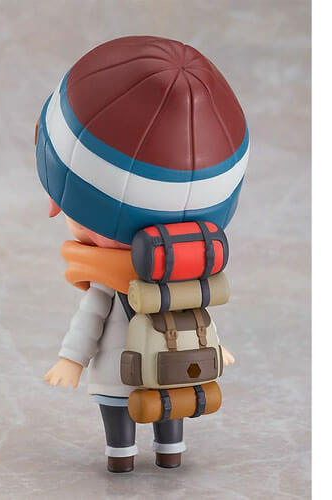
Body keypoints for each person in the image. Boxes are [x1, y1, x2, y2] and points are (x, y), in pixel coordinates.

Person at [36, 36, 249, 472]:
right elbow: (192, 314)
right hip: (161, 370)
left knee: (151, 410)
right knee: (154, 409)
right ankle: (137, 454)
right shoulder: (179, 282)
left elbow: (92, 321)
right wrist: (71, 359)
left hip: (141, 372)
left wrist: (71, 360)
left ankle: (149, 453)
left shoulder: (120, 284)